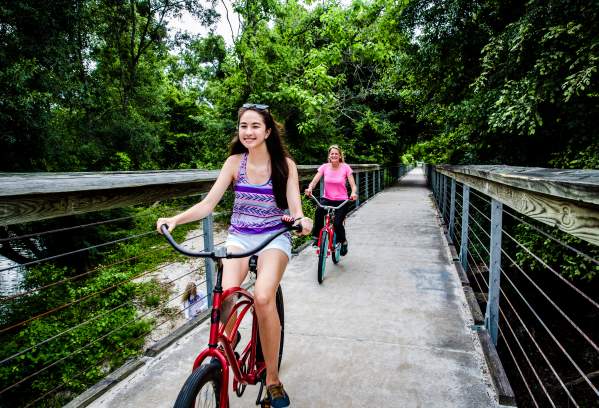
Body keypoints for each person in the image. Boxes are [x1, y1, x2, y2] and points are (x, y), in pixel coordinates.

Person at [157, 103, 312, 408]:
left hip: (272, 237)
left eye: (255, 126)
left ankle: (272, 381)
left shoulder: (285, 165)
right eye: (243, 126)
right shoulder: (233, 163)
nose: (248, 132)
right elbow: (207, 204)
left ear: (268, 131)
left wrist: (302, 220)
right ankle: (226, 345)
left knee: (264, 298)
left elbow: (296, 208)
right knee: (226, 294)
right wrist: (175, 219)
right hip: (240, 237)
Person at [304, 145, 357, 256]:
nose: (334, 155)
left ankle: (343, 242)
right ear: (329, 156)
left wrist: (353, 193)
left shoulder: (345, 167)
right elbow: (314, 182)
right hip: (327, 198)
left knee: (337, 223)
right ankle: (317, 237)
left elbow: (353, 185)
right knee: (319, 211)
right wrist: (310, 188)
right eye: (332, 153)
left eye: (336, 154)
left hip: (341, 200)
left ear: (340, 156)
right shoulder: (324, 167)